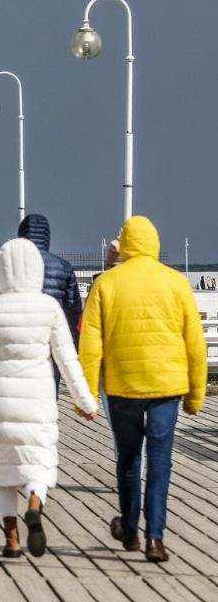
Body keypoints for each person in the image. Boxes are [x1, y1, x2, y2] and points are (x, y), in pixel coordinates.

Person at [0, 238, 99, 558]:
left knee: (5, 476)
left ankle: (11, 539)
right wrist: (86, 402)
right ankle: (34, 501)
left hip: (1, 398)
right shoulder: (49, 308)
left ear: (3, 271)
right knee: (39, 465)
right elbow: (68, 360)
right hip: (38, 397)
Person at [79, 216, 206, 563]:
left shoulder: (107, 283)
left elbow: (90, 344)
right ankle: (155, 539)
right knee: (160, 460)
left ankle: (130, 529)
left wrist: (86, 394)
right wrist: (196, 394)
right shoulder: (176, 282)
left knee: (130, 459)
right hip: (167, 387)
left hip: (123, 387)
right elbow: (195, 343)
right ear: (154, 243)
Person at [0, 214, 81, 343]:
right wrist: (73, 344)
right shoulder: (63, 267)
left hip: (14, 339)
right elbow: (72, 312)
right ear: (47, 237)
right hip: (51, 338)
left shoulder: (8, 263)